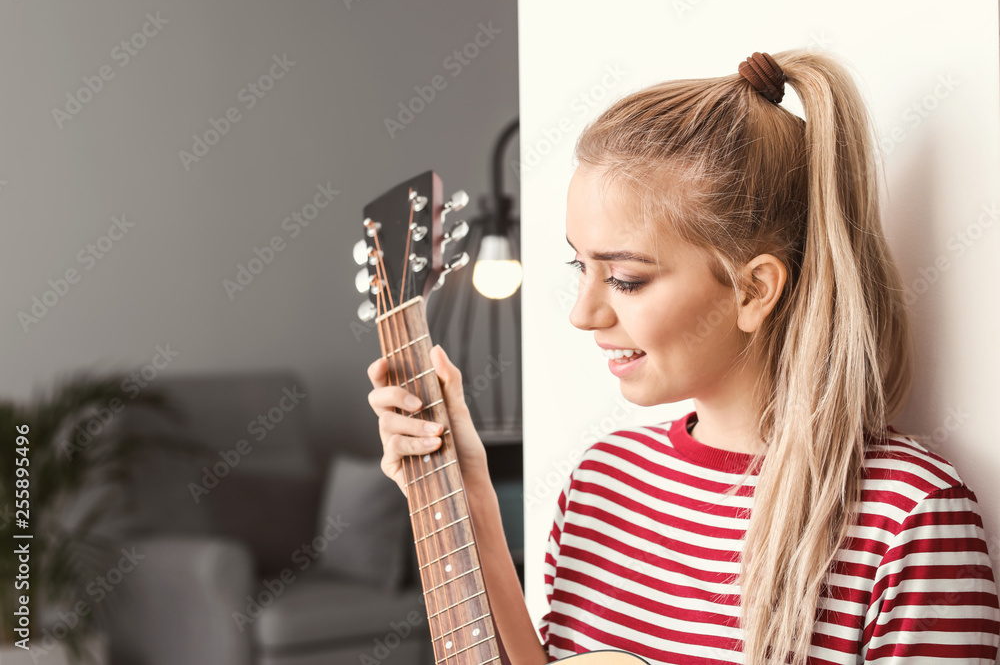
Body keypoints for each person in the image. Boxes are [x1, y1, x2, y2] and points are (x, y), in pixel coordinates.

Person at [366, 49, 1000, 664]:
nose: (582, 314)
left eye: (626, 280)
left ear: (754, 290)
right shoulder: (600, 483)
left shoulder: (907, 518)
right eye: (578, 266)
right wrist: (468, 495)